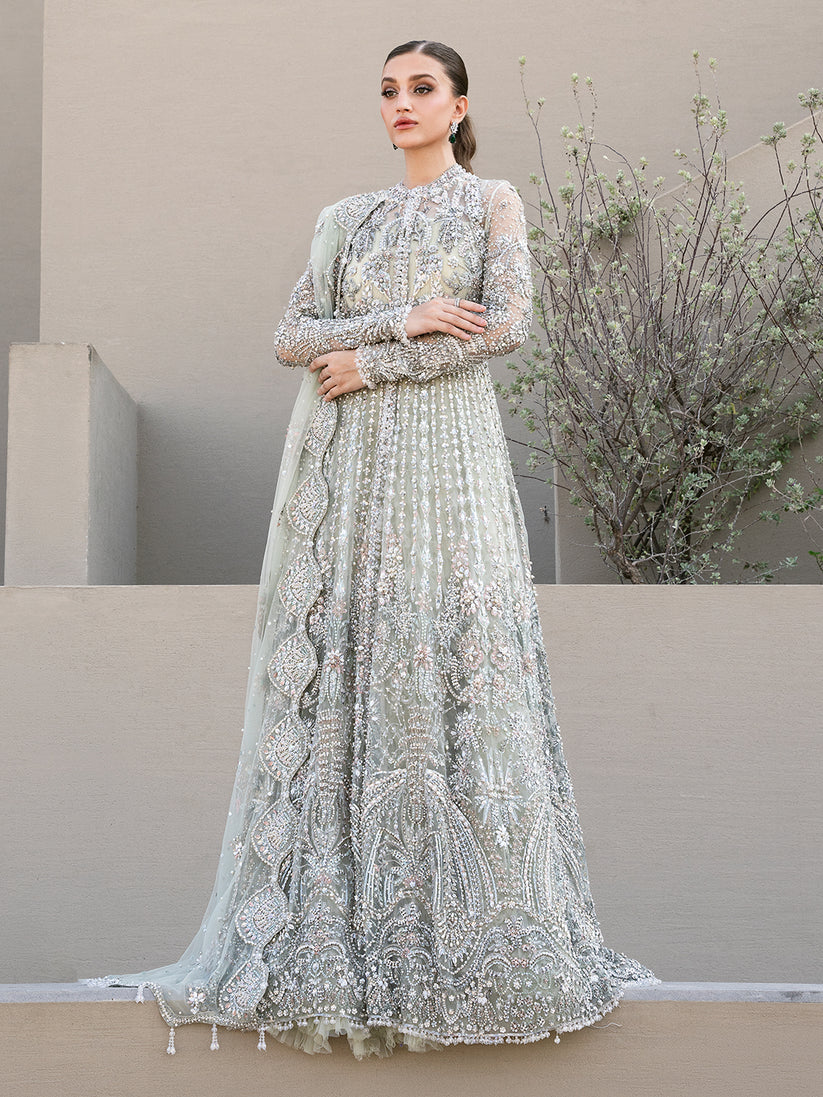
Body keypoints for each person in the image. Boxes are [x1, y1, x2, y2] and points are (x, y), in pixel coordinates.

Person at [83, 38, 659, 1059]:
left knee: (456, 652)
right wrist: (403, 317)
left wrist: (376, 359)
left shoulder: (491, 204)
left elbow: (507, 326)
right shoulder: (346, 218)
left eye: (421, 88)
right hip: (356, 471)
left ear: (458, 106)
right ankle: (349, 938)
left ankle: (477, 944)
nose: (401, 103)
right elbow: (290, 336)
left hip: (448, 460)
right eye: (388, 90)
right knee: (357, 658)